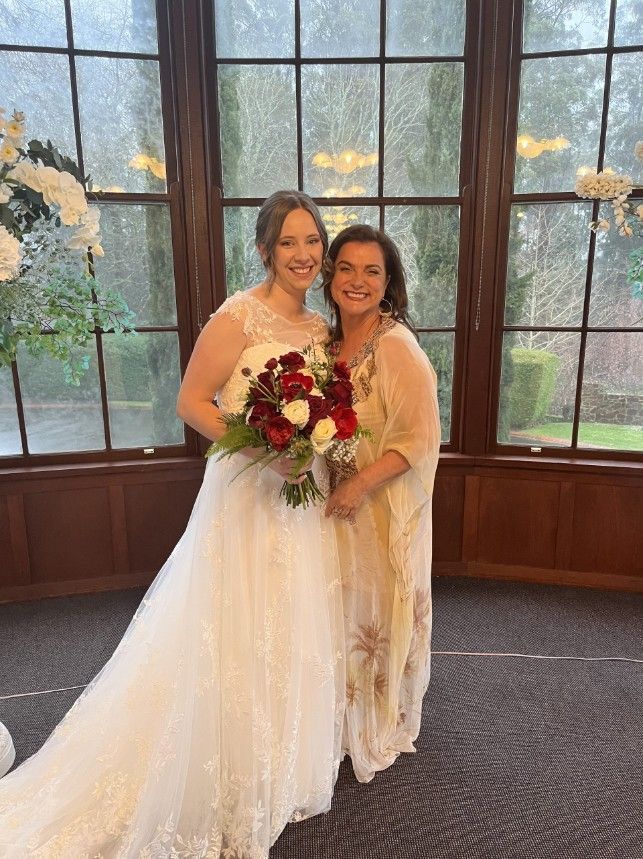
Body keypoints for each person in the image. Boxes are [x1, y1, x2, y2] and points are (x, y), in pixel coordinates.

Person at [0, 191, 345, 858]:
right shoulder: (237, 315)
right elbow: (190, 400)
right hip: (245, 488)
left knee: (287, 614)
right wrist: (262, 447)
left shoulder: (320, 329)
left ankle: (271, 753)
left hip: (298, 491)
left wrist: (311, 449)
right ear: (265, 250)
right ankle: (210, 755)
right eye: (288, 243)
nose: (303, 255)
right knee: (229, 616)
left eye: (312, 242)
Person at [321, 224, 440, 783]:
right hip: (331, 507)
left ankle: (373, 719)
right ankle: (338, 713)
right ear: (330, 275)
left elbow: (418, 441)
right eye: (347, 268)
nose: (358, 281)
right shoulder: (325, 342)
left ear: (388, 282)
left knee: (375, 609)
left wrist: (359, 483)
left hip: (379, 508)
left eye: (372, 271)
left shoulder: (397, 347)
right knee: (339, 608)